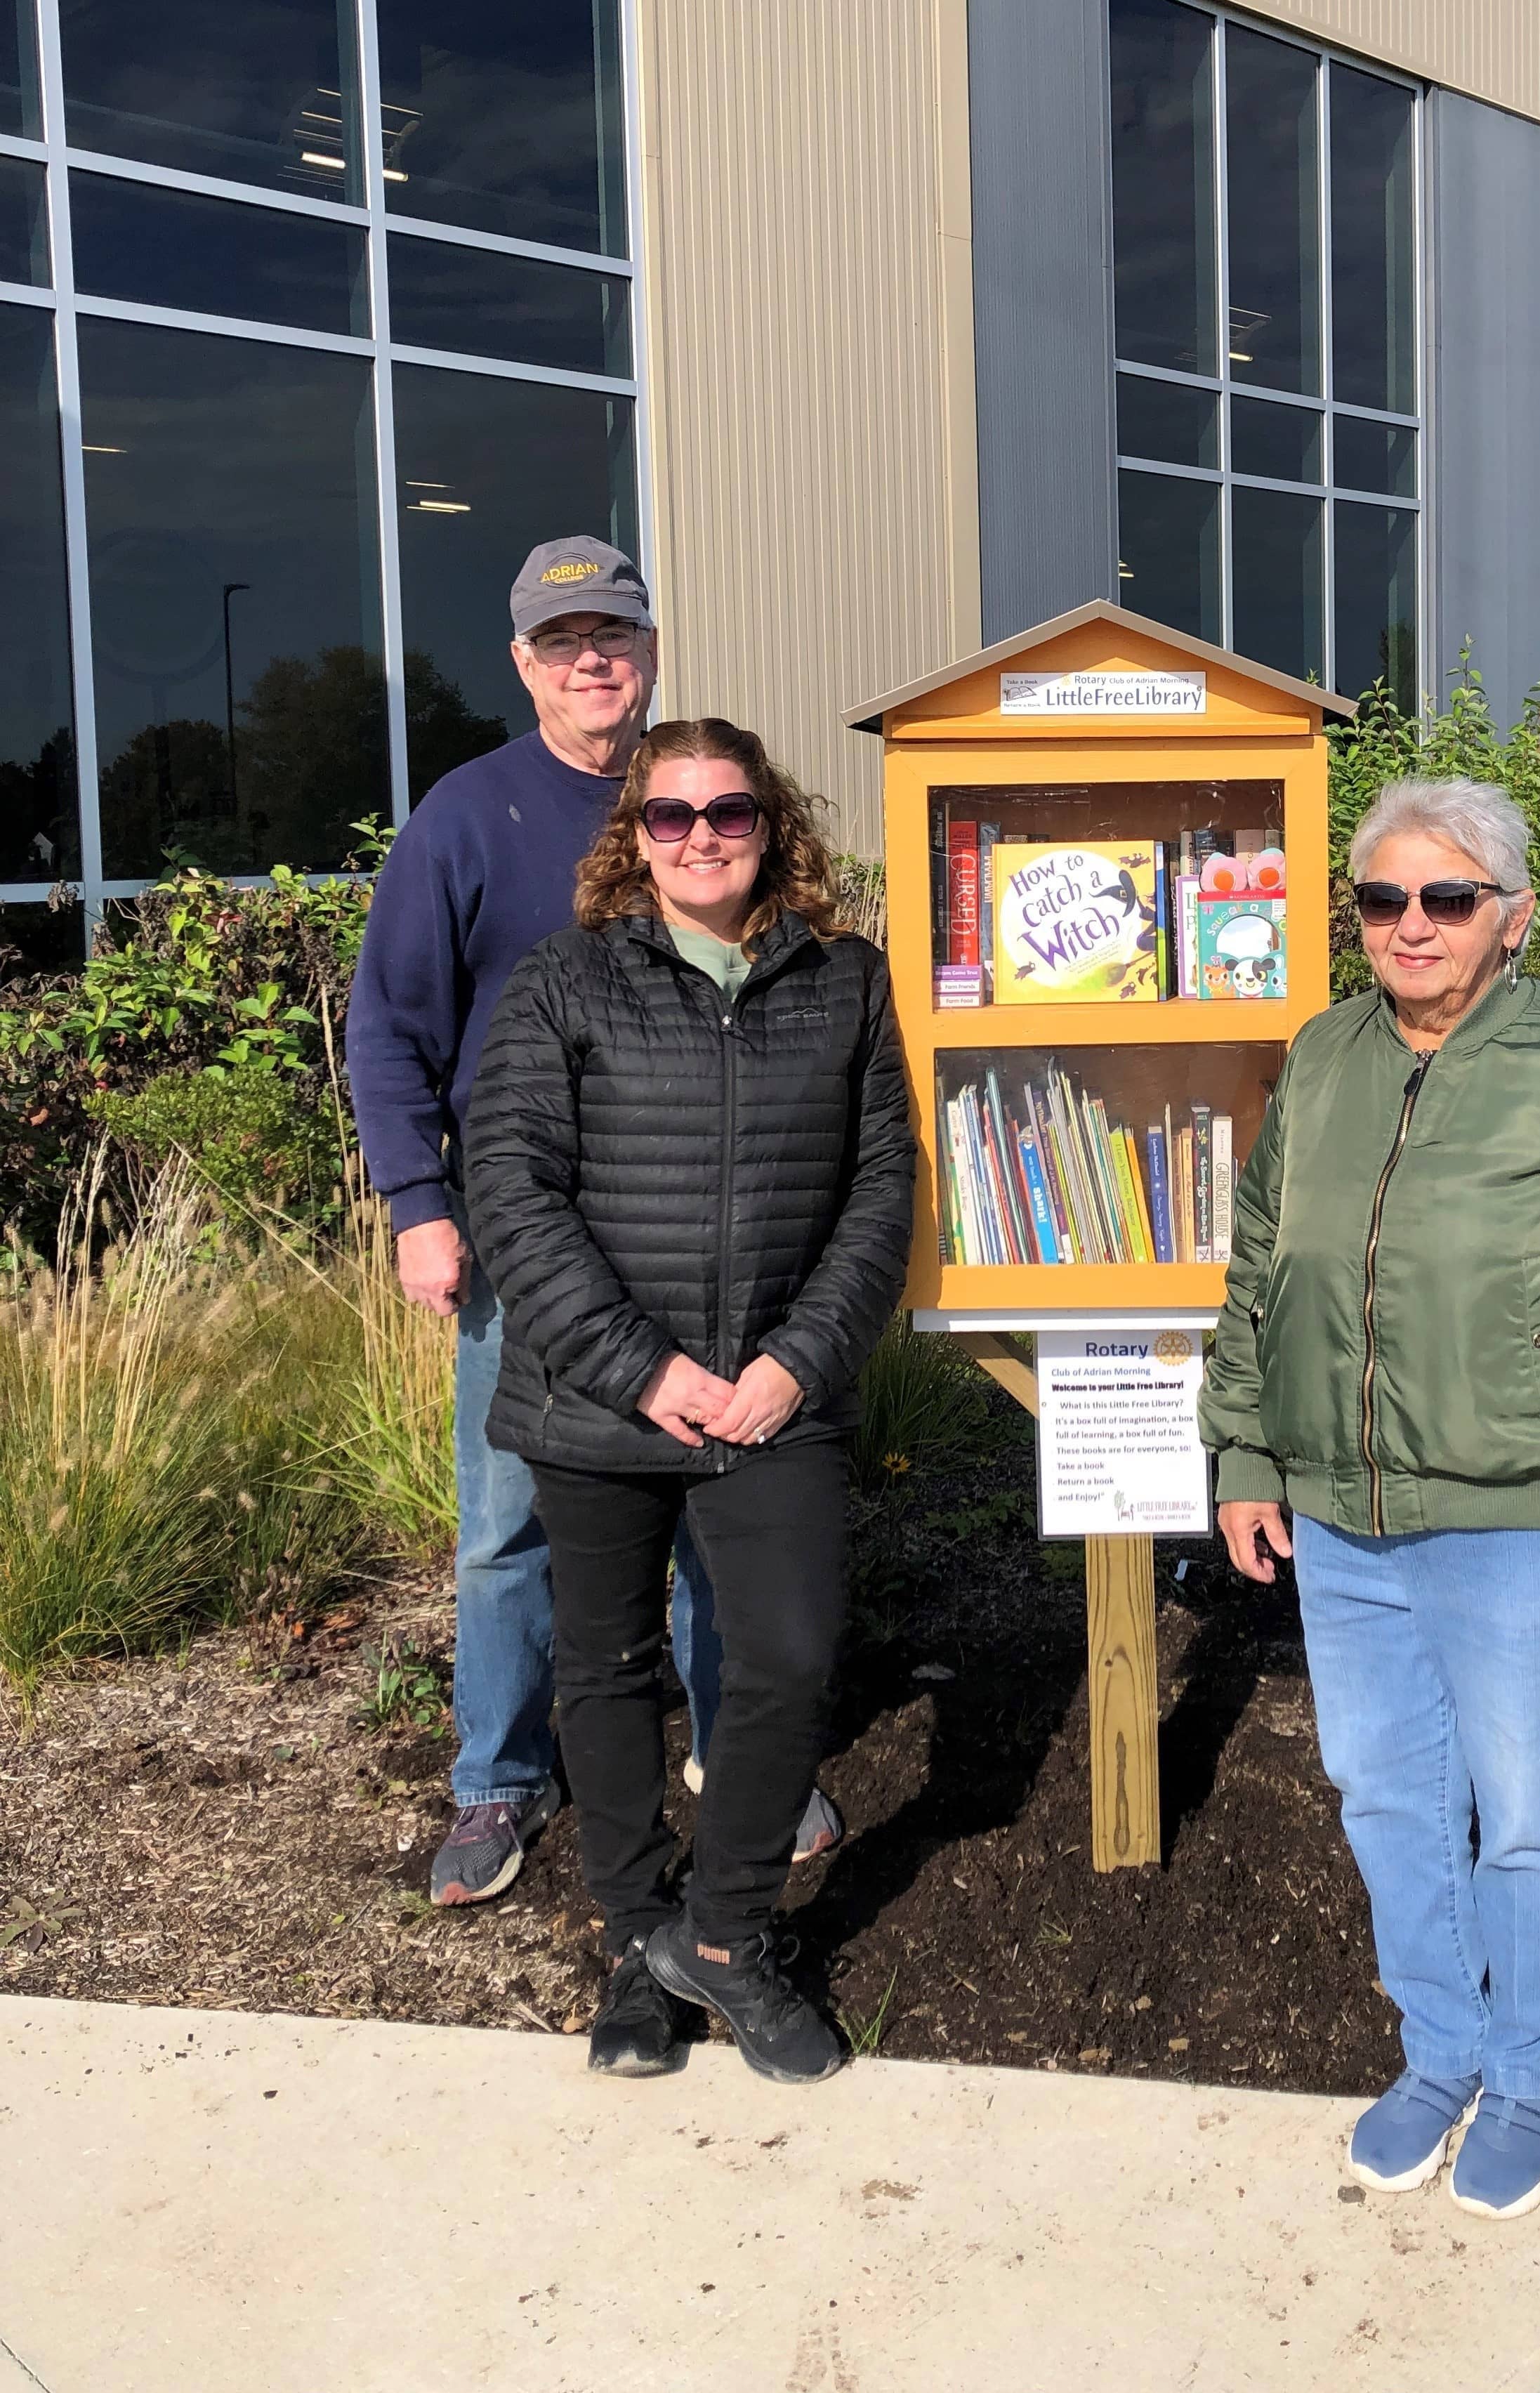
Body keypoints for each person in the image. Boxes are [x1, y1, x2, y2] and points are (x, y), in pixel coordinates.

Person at [1200, 778, 1540, 2220]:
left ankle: (1529, 2075)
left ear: (1512, 918)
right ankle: (1438, 2054)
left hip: (1525, 1525)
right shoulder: (1322, 1060)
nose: (1412, 926)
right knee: (1385, 1800)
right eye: (1383, 900)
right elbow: (1262, 1271)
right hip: (1347, 1523)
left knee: (1534, 1821)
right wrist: (1248, 1453)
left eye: (1448, 898)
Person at [347, 536, 838, 1906]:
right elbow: (388, 1027)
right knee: (511, 1526)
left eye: (612, 633)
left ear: (652, 649)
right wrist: (417, 1207)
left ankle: (739, 1761)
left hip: (710, 1245)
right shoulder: (469, 815)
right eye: (564, 641)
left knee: (710, 1519)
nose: (592, 659)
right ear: (524, 664)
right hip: (532, 1250)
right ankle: (497, 1783)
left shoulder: (715, 806)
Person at [464, 718, 914, 2080]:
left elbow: (882, 1190)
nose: (703, 835)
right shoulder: (564, 981)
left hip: (774, 1403)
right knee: (606, 1671)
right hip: (601, 1407)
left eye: (729, 811)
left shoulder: (844, 982)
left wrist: (790, 1366)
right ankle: (635, 1946)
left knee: (782, 1658)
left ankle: (721, 1943)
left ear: (772, 826)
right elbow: (512, 1191)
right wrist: (645, 1369)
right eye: (672, 815)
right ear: (635, 836)